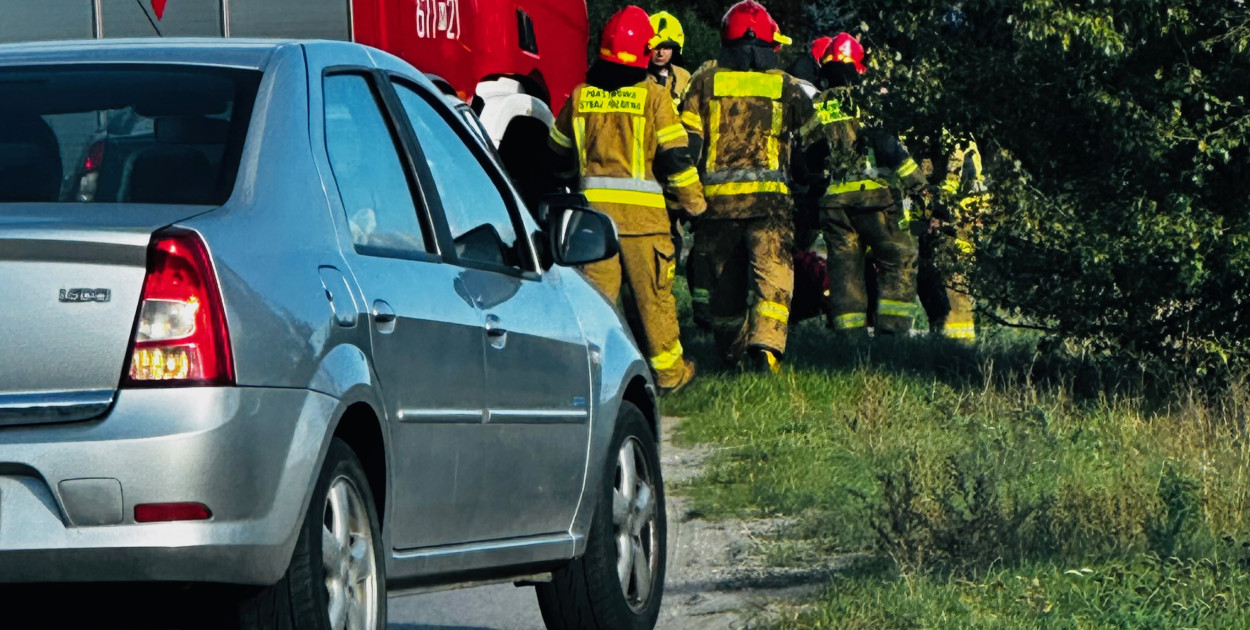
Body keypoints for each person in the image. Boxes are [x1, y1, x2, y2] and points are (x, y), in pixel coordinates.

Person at [546, 5, 705, 391]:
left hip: (592, 229)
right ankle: (668, 377)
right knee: (655, 303)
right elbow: (675, 161)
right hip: (645, 228)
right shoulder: (654, 98)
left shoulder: (581, 98)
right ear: (642, 53)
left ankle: (590, 382)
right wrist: (695, 205)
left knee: (596, 307)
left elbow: (555, 157)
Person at [680, 0, 813, 373]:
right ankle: (767, 350)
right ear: (770, 45)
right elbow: (814, 144)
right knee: (773, 278)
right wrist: (807, 180)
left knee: (726, 285)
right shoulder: (786, 87)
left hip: (718, 210)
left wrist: (686, 197)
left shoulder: (703, 83)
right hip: (770, 206)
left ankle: (729, 355)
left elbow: (687, 146)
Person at [801, 32, 927, 336]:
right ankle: (893, 337)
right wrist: (917, 184)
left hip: (836, 208)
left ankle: (849, 341)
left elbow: (810, 156)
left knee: (844, 273)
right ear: (859, 67)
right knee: (898, 261)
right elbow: (886, 145)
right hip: (876, 201)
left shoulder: (819, 106)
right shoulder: (869, 99)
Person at [917, 128, 988, 342]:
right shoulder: (928, 142)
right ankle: (942, 339)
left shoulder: (958, 145)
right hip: (940, 228)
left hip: (957, 232)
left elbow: (953, 190)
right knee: (929, 286)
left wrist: (940, 217)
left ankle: (959, 347)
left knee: (955, 291)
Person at [648, 11, 691, 109]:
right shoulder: (637, 77)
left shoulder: (684, 77)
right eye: (657, 47)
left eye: (666, 48)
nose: (661, 53)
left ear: (674, 50)